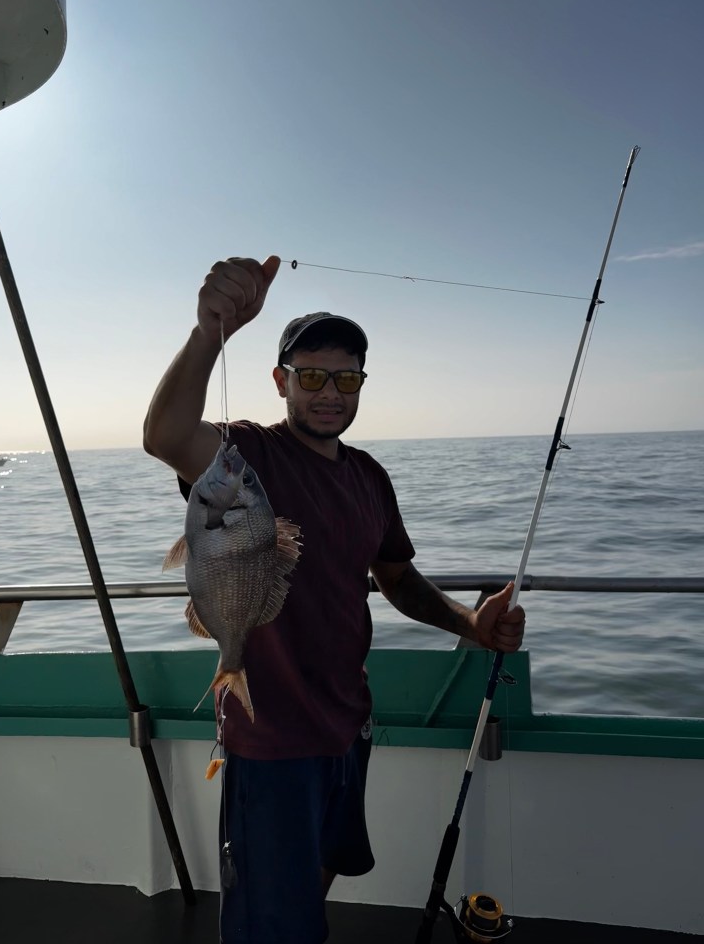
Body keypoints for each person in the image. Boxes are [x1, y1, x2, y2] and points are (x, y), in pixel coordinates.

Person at [143, 255, 526, 944]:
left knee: (316, 882)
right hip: (271, 741)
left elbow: (398, 580)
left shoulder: (371, 478)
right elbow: (166, 436)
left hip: (348, 725)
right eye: (311, 376)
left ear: (360, 385)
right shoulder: (245, 455)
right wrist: (209, 334)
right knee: (270, 923)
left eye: (345, 379)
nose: (328, 393)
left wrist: (471, 623)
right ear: (281, 381)